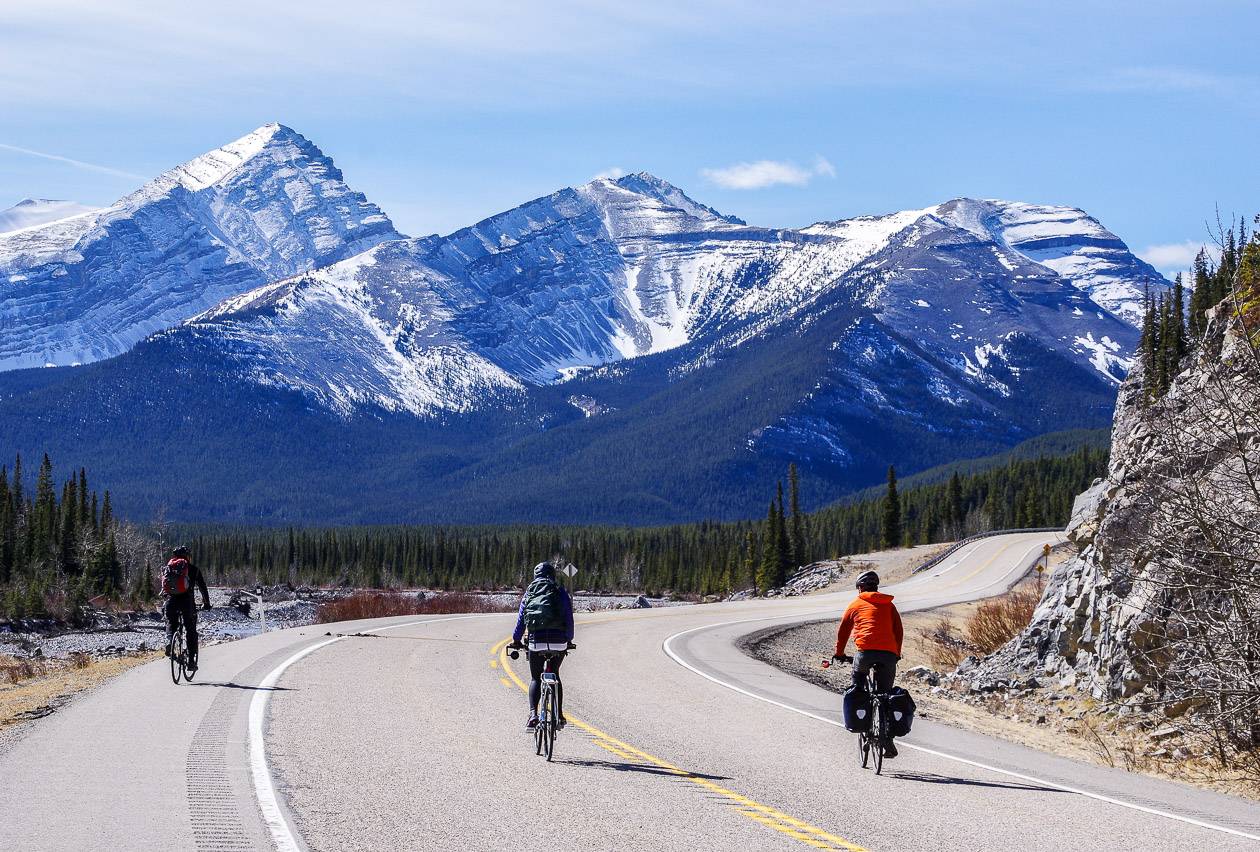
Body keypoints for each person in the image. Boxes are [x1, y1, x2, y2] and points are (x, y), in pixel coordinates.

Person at [833, 569, 903, 757]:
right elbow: (898, 631)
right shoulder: (889, 605)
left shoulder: (855, 604)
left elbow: (843, 631)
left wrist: (839, 653)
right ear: (876, 587)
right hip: (888, 656)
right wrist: (896, 653)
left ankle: (862, 724)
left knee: (858, 689)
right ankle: (888, 742)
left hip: (864, 654)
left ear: (860, 588)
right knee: (886, 696)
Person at [508, 562, 575, 730]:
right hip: (558, 642)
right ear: (553, 575)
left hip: (535, 641)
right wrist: (568, 639)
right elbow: (569, 618)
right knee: (555, 674)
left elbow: (521, 620)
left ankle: (533, 715)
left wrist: (516, 640)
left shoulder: (529, 593)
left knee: (535, 678)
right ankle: (558, 715)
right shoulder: (560, 592)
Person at [162, 546, 211, 672]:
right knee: (191, 630)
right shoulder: (194, 569)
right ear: (187, 556)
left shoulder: (168, 568)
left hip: (171, 601)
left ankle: (169, 642)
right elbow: (202, 588)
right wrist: (206, 603)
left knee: (170, 623)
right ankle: (191, 662)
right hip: (187, 603)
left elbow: (165, 587)